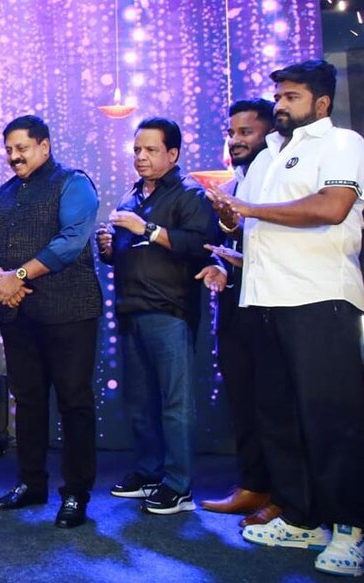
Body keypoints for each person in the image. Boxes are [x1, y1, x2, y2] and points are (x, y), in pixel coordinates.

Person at [210, 60, 364, 577]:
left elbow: (332, 207)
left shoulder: (342, 143)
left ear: (320, 104)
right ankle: (302, 518)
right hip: (263, 301)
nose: (280, 105)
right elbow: (252, 222)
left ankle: (351, 527)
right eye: (278, 96)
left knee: (330, 420)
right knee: (279, 417)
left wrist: (248, 211)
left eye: (292, 97)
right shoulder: (268, 156)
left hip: (320, 299)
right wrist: (234, 217)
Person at [0, 115, 101, 528]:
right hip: (18, 312)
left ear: (44, 146)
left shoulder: (73, 182)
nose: (14, 157)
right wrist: (0, 277)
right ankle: (31, 484)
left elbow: (70, 242)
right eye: (9, 149)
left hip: (70, 311)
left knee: (74, 402)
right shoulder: (6, 191)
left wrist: (20, 275)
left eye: (22, 148)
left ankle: (76, 494)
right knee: (28, 402)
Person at [97, 117, 219, 515]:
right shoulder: (133, 196)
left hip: (169, 311)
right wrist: (110, 247)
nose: (142, 157)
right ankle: (148, 473)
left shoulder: (189, 195)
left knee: (174, 402)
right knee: (139, 400)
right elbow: (130, 253)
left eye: (151, 150)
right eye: (137, 150)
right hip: (132, 308)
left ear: (173, 153)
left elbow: (200, 245)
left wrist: (145, 228)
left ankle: (178, 485)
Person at [196, 98, 279, 527]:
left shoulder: (281, 173)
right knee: (243, 400)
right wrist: (219, 263)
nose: (236, 140)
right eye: (232, 133)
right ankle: (254, 486)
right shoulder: (241, 179)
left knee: (272, 404)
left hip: (274, 305)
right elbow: (244, 241)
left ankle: (285, 496)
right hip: (235, 303)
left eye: (246, 132)